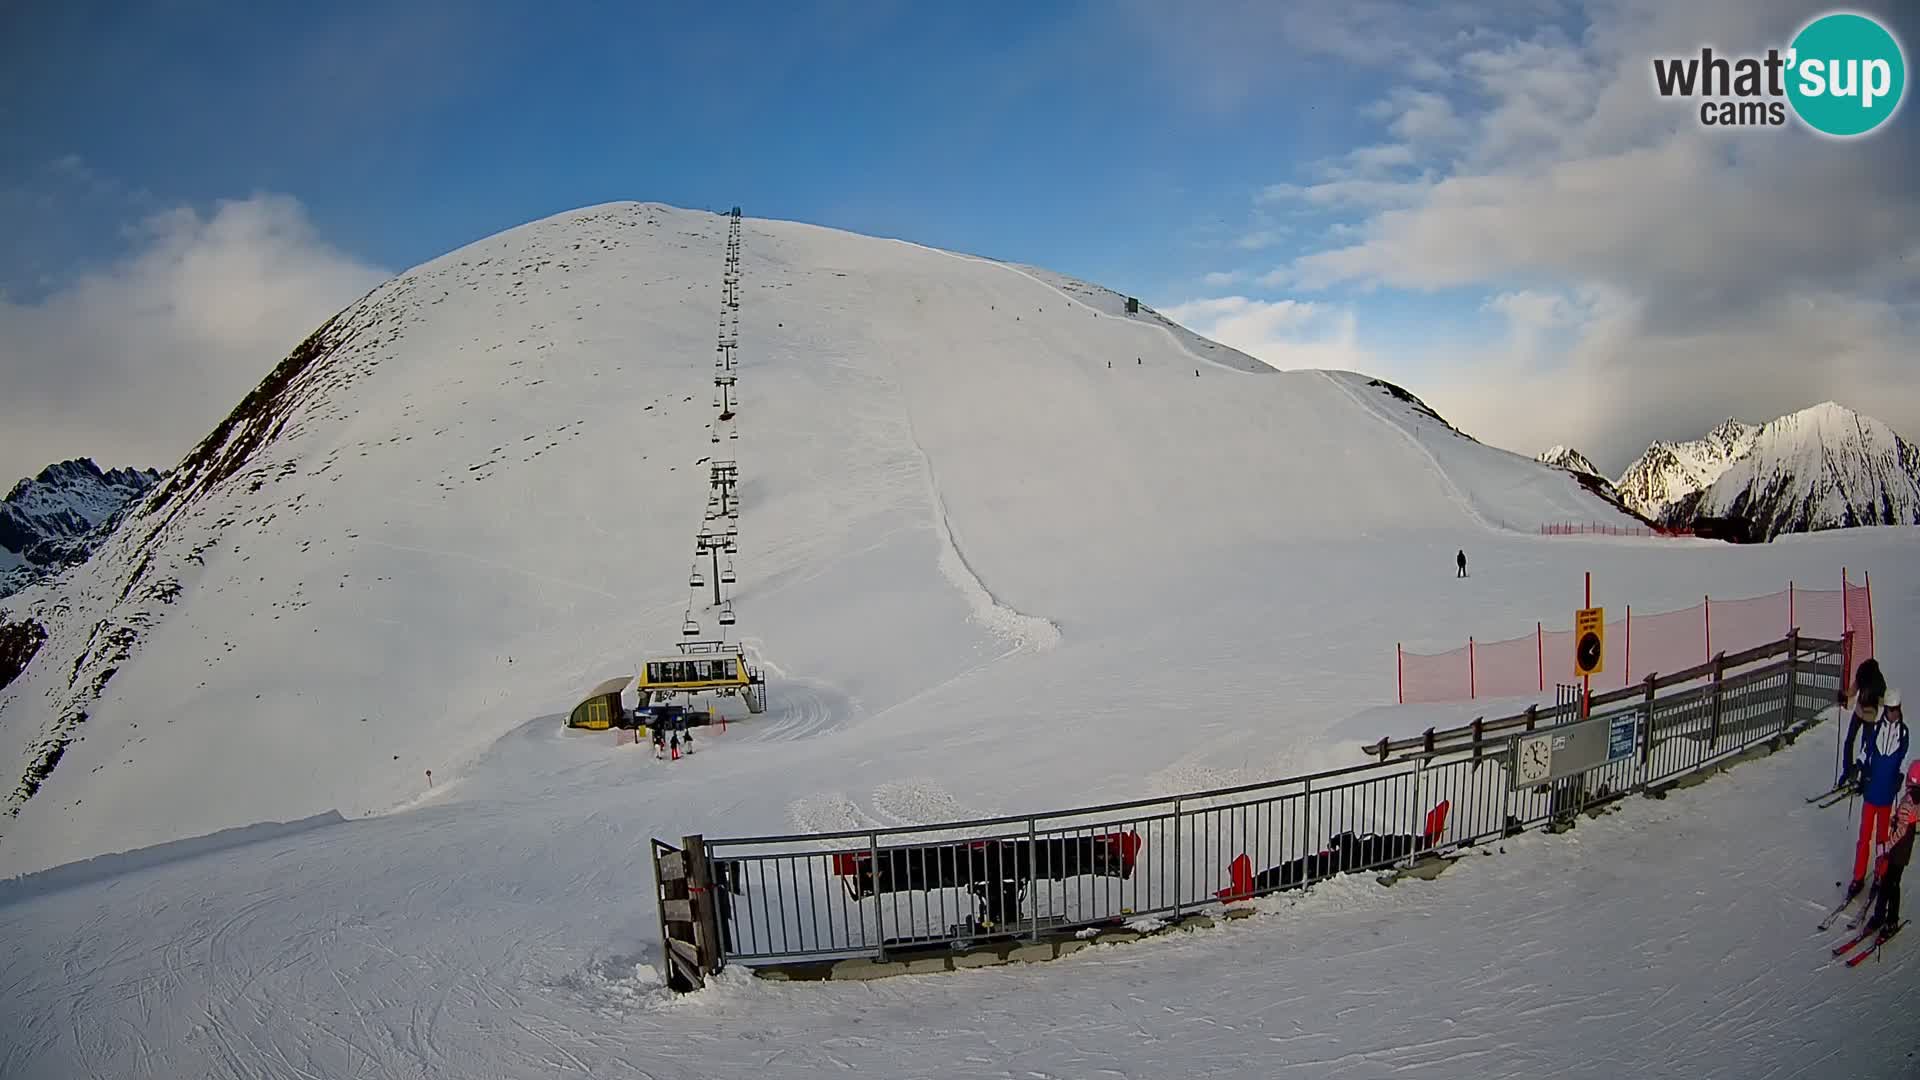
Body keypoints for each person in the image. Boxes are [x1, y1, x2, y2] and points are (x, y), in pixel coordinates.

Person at [1842, 661, 1908, 898]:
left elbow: (1899, 758)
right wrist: (1858, 765)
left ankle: (1880, 874)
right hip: (1871, 792)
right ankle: (1858, 877)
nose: (1891, 713)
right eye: (1889, 709)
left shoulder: (1903, 734)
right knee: (1863, 838)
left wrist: (1900, 779)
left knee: (1882, 838)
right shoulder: (1877, 729)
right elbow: (1866, 750)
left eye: (1894, 709)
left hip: (1886, 794)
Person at [1864, 760, 1920, 938]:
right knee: (1892, 883)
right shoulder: (1916, 800)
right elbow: (1908, 821)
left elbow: (1901, 830)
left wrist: (1886, 846)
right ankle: (1885, 917)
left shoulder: (1907, 802)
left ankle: (1887, 919)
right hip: (1905, 849)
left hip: (1898, 848)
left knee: (1889, 883)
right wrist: (1897, 819)